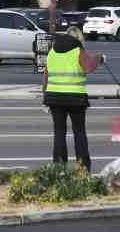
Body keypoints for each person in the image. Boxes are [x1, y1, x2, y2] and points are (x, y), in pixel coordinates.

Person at [42, 27, 103, 172]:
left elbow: (46, 76)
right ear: (78, 39)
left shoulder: (52, 51)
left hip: (54, 97)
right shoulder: (78, 50)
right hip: (76, 98)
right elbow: (88, 67)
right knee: (79, 133)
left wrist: (45, 96)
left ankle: (59, 168)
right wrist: (99, 58)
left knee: (59, 133)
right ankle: (83, 169)